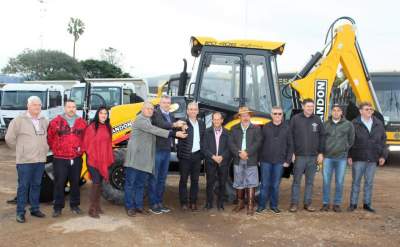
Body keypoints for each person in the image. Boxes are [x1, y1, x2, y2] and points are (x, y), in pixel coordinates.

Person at [124, 101, 187, 217]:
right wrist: (174, 134)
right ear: (142, 109)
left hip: (144, 159)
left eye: (151, 109)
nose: (149, 111)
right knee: (130, 184)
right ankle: (129, 207)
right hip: (135, 158)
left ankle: (138, 206)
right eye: (147, 109)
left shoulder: (148, 120)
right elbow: (154, 130)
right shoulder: (140, 119)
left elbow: (159, 127)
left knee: (141, 184)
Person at [5, 96, 49, 223]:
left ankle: (35, 209)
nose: (37, 107)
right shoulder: (18, 120)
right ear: (28, 106)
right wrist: (21, 149)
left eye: (39, 105)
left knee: (36, 185)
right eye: (34, 105)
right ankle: (20, 212)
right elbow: (9, 138)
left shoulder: (44, 120)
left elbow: (48, 136)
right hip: (25, 161)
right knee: (23, 186)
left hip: (40, 160)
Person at [47, 99, 87, 217]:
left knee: (75, 183)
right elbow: (49, 138)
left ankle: (75, 205)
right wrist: (57, 149)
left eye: (74, 107)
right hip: (60, 158)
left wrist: (81, 149)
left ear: (76, 108)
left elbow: (86, 139)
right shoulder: (55, 122)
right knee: (59, 183)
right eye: (69, 107)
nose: (71, 109)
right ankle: (58, 207)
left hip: (76, 158)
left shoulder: (82, 123)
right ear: (65, 108)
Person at [149, 95, 187, 214]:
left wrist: (181, 129)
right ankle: (153, 204)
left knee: (162, 178)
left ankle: (159, 202)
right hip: (157, 149)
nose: (166, 104)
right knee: (154, 178)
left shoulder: (170, 115)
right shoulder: (156, 114)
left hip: (166, 150)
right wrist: (175, 125)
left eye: (168, 103)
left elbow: (171, 131)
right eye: (164, 102)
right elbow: (162, 125)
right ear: (160, 103)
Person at [348, 102, 387, 213]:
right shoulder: (354, 123)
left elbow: (383, 141)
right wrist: (349, 155)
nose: (369, 111)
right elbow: (350, 141)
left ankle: (367, 204)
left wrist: (383, 155)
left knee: (369, 182)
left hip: (373, 158)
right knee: (356, 181)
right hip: (358, 157)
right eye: (367, 109)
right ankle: (353, 204)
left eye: (371, 109)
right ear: (360, 111)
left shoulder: (378, 124)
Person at [289, 98, 325, 213]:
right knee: (296, 181)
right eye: (308, 106)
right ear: (303, 106)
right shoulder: (295, 119)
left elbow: (322, 137)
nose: (310, 108)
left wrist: (320, 153)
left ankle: (307, 203)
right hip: (299, 156)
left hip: (313, 157)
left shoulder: (317, 120)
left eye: (312, 106)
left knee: (310, 182)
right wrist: (292, 152)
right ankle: (294, 204)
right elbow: (290, 137)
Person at [257, 106, 293, 214]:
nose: (277, 116)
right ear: (271, 115)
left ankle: (273, 206)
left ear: (282, 115)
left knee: (275, 185)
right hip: (265, 161)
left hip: (280, 161)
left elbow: (290, 145)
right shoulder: (265, 127)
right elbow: (260, 144)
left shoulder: (287, 128)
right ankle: (261, 206)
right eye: (275, 113)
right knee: (264, 184)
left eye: (280, 114)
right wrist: (259, 159)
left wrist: (288, 160)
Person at [321, 104, 354, 212]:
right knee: (326, 181)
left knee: (339, 181)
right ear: (331, 112)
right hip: (328, 158)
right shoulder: (325, 124)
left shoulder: (348, 125)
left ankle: (337, 204)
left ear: (341, 112)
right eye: (334, 110)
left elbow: (351, 139)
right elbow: (321, 139)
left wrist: (344, 149)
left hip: (341, 158)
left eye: (338, 110)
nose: (336, 112)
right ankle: (325, 203)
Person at [229, 106, 262, 216]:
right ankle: (240, 204)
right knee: (239, 181)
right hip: (238, 159)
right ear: (239, 117)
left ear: (250, 116)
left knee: (251, 182)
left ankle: (250, 206)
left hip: (250, 159)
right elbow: (231, 143)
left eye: (247, 115)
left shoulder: (256, 129)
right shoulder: (234, 129)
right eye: (243, 115)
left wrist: (247, 152)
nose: (245, 117)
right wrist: (239, 153)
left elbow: (257, 143)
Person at [82, 106, 114, 218]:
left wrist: (106, 158)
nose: (104, 115)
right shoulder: (92, 127)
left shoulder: (108, 127)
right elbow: (87, 144)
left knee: (100, 184)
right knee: (95, 183)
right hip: (93, 160)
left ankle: (97, 206)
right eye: (101, 113)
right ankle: (92, 209)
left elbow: (108, 145)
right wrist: (94, 157)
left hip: (103, 159)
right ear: (97, 114)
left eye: (105, 113)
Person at [177, 102, 206, 212]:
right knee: (183, 180)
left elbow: (203, 139)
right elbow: (176, 135)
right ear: (187, 111)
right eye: (191, 109)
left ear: (198, 111)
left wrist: (202, 153)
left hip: (197, 156)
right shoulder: (182, 123)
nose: (193, 111)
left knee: (195, 180)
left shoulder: (202, 123)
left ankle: (193, 202)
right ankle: (184, 203)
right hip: (185, 156)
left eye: (195, 109)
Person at [202, 112, 231, 211]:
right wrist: (213, 156)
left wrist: (222, 157)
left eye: (218, 119)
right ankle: (209, 203)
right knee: (210, 183)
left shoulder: (227, 132)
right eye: (215, 119)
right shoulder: (207, 132)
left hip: (223, 162)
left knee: (222, 183)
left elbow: (229, 148)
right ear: (212, 120)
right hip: (211, 161)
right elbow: (204, 148)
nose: (216, 121)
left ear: (222, 120)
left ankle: (220, 203)